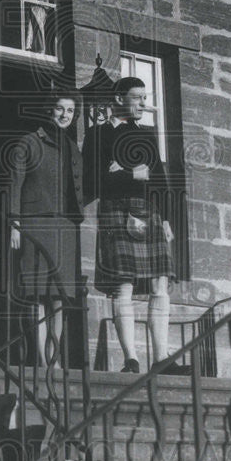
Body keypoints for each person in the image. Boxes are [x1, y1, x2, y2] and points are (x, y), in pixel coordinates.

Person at [84, 76, 189, 375]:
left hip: (150, 211)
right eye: (138, 97)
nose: (144, 103)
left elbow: (158, 178)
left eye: (145, 97)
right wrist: (132, 173)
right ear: (119, 99)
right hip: (115, 210)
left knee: (160, 284)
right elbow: (94, 181)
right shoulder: (97, 135)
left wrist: (167, 218)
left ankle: (162, 358)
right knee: (123, 286)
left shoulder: (146, 134)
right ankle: (131, 359)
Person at [7, 91, 84, 366]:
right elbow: (14, 183)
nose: (64, 115)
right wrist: (14, 223)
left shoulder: (73, 147)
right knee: (37, 295)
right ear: (48, 110)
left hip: (65, 228)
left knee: (60, 298)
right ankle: (40, 358)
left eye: (70, 111)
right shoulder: (29, 142)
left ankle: (55, 359)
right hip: (36, 225)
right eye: (59, 109)